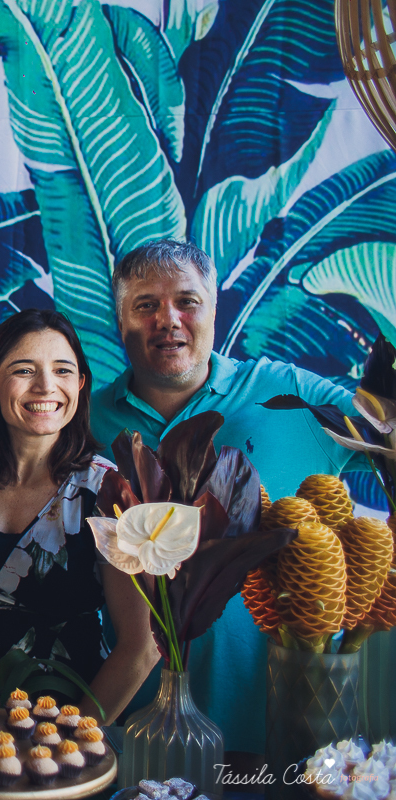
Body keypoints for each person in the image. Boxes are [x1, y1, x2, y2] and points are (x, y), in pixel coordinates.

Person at [89, 238, 366, 752]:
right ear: (120, 318)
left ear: (214, 308)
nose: (167, 319)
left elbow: (384, 432)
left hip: (284, 724)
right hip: (136, 732)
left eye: (186, 302)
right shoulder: (84, 420)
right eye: (145, 305)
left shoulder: (292, 396)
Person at [0, 309, 157, 723]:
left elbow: (142, 646)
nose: (46, 386)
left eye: (63, 370)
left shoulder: (106, 492)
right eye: (24, 370)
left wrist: (73, 741)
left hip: (63, 723)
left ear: (79, 385)